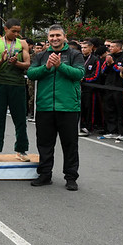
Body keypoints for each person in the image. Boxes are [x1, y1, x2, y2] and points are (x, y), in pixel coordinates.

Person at [27, 24, 84, 191]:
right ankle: (45, 174)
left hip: (68, 107)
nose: (54, 38)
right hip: (45, 106)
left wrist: (60, 66)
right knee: (44, 143)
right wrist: (47, 67)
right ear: (48, 38)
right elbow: (31, 74)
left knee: (70, 144)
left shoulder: (75, 54)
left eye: (58, 35)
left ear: (64, 37)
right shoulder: (41, 55)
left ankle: (71, 177)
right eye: (51, 36)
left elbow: (79, 74)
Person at [0, 18, 31, 161]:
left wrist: (17, 63)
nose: (17, 34)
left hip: (17, 84)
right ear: (6, 29)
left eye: (18, 31)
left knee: (20, 118)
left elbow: (28, 64)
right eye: (14, 31)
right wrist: (2, 60)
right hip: (0, 83)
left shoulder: (22, 44)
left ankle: (21, 149)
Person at [100, 39, 123, 140]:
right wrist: (108, 64)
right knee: (109, 109)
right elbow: (103, 71)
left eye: (112, 47)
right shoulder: (109, 57)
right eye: (109, 47)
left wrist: (112, 64)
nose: (109, 48)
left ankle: (122, 132)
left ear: (119, 47)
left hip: (119, 87)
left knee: (120, 110)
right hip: (108, 86)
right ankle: (112, 130)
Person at [79, 40, 103, 136]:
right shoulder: (79, 58)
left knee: (89, 108)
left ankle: (89, 126)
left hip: (90, 88)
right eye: (82, 48)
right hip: (79, 87)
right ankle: (80, 125)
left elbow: (96, 75)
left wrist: (84, 79)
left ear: (91, 48)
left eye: (85, 47)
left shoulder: (95, 59)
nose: (83, 50)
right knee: (80, 107)